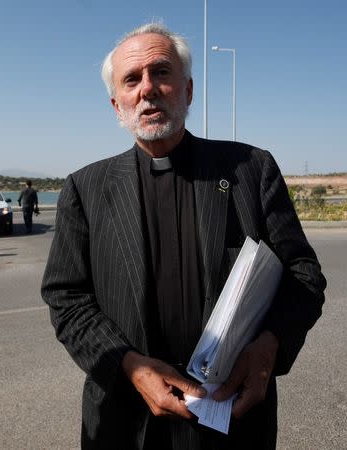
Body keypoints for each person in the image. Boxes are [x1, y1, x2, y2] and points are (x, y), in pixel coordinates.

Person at [41, 23, 326, 450]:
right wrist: (130, 366)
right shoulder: (85, 188)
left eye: (162, 72)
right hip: (124, 420)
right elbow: (67, 297)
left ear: (188, 90)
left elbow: (303, 274)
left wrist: (270, 346)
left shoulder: (250, 169)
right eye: (132, 79)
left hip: (234, 414)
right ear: (117, 105)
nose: (148, 89)